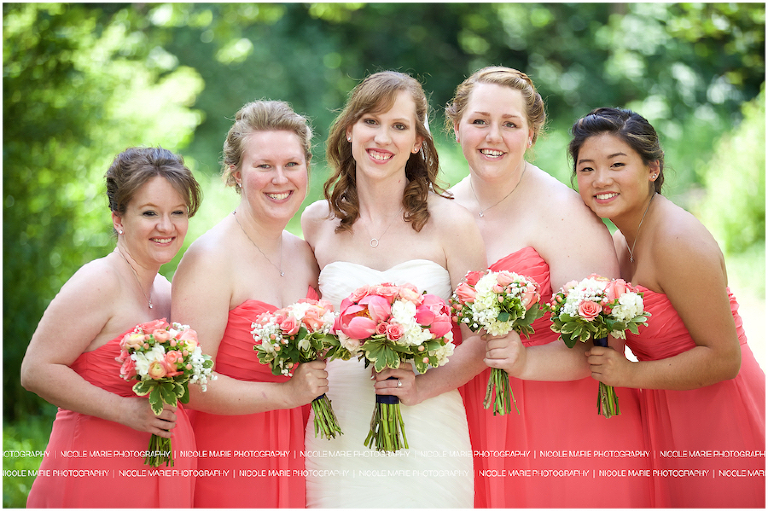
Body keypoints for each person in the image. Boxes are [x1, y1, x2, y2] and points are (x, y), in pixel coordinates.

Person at [443, 67, 652, 507]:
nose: (492, 136)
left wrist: (524, 362)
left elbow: (603, 350)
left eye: (511, 124)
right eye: (479, 121)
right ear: (455, 125)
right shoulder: (439, 208)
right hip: (467, 418)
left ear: (532, 135)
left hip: (560, 423)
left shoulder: (564, 213)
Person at [301, 71, 486, 508]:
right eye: (371, 121)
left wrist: (423, 386)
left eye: (399, 126)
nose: (382, 138)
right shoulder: (316, 222)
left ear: (418, 141)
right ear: (350, 130)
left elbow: (484, 337)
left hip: (427, 424)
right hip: (339, 426)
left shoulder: (453, 224)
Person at [570, 107, 765, 507]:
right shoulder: (626, 241)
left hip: (718, 411)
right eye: (586, 168)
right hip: (667, 405)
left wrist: (628, 373)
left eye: (617, 164)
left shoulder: (676, 240)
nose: (600, 180)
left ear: (653, 169)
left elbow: (724, 358)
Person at [21, 147, 202, 507]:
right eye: (150, 213)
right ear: (119, 218)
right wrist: (125, 412)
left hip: (159, 473)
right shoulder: (98, 281)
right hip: (95, 471)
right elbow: (36, 370)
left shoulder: (166, 292)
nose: (166, 226)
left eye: (177, 213)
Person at [171, 100, 327, 508]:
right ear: (236, 173)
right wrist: (286, 395)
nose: (280, 179)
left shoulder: (307, 254)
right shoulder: (211, 260)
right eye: (264, 166)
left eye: (292, 164)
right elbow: (187, 383)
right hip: (231, 463)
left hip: (305, 453)